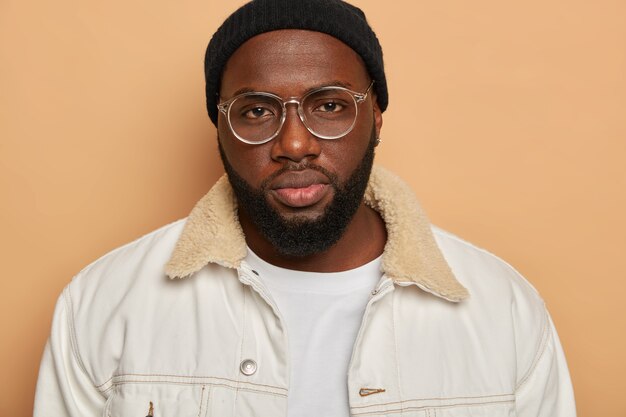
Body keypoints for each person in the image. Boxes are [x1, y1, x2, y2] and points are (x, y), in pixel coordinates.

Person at [33, 0, 576, 416]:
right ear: (220, 126)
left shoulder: (500, 309)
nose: (295, 143)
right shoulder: (106, 304)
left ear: (377, 119)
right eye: (257, 111)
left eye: (331, 105)